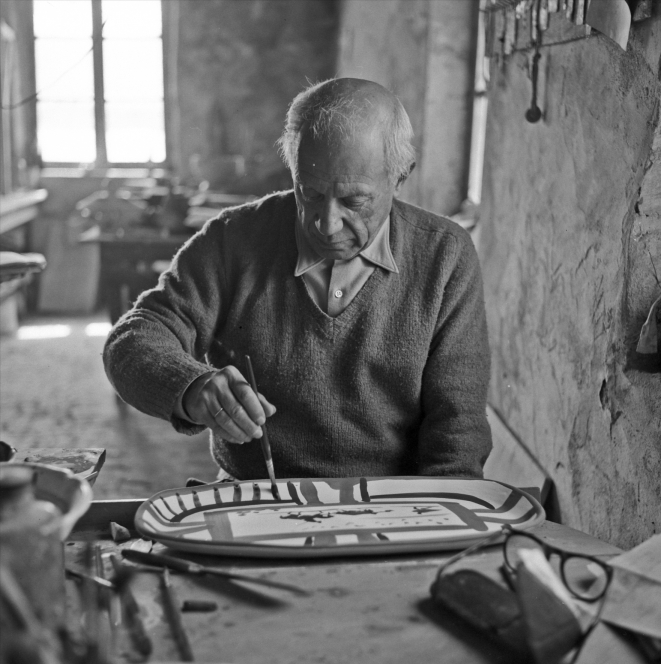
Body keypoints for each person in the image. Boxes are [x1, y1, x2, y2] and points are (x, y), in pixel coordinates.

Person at [103, 78, 492, 481]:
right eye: (309, 193)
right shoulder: (234, 238)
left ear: (400, 176)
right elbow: (132, 340)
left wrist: (440, 519)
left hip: (394, 503)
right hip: (257, 495)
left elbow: (457, 426)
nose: (327, 223)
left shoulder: (445, 254)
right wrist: (192, 386)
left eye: (353, 201)